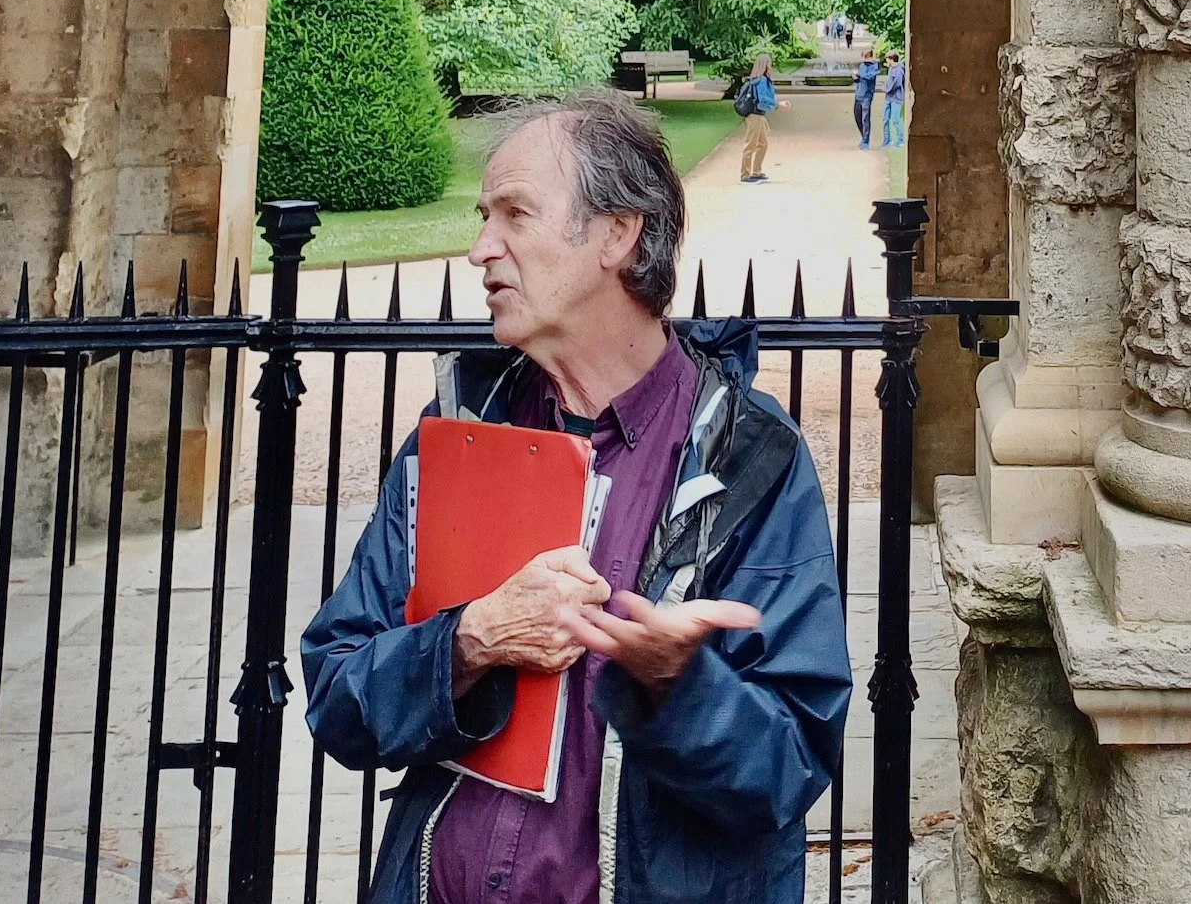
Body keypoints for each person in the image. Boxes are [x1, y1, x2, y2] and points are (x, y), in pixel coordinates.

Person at [302, 92, 849, 904]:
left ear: (617, 234)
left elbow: (789, 765)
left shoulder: (749, 458)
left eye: (515, 214)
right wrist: (469, 641)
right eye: (484, 216)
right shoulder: (458, 427)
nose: (481, 248)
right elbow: (337, 691)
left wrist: (676, 686)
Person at [739, 50, 787, 184]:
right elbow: (763, 99)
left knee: (763, 143)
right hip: (754, 115)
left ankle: (756, 172)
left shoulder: (758, 80)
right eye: (769, 63)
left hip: (758, 115)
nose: (771, 66)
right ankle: (745, 175)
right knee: (751, 144)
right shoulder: (761, 80)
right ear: (765, 65)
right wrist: (778, 105)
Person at [852, 47, 879, 148]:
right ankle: (863, 136)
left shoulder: (875, 66)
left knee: (865, 118)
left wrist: (860, 75)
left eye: (864, 56)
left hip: (867, 96)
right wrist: (855, 78)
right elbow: (860, 79)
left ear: (869, 56)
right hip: (858, 95)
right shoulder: (862, 65)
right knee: (857, 117)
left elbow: (870, 77)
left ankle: (866, 141)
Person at [881, 51, 907, 148]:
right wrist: (885, 87)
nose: (886, 61)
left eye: (887, 59)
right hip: (888, 97)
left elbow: (897, 83)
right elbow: (889, 81)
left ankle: (901, 139)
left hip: (896, 98)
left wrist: (887, 89)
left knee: (896, 119)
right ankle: (887, 139)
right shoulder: (891, 68)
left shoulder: (899, 69)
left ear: (891, 59)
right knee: (885, 119)